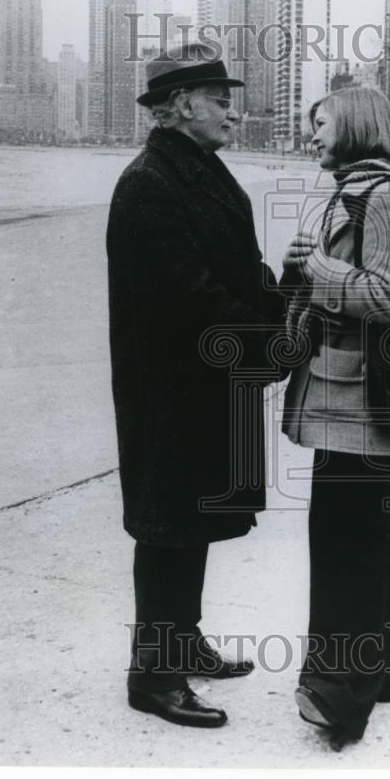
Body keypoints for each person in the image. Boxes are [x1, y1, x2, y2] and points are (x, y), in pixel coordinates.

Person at [106, 44, 285, 729]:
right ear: (181, 106)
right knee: (167, 528)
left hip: (203, 382)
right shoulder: (151, 181)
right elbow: (191, 299)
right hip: (171, 391)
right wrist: (271, 341)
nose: (231, 112)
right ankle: (153, 676)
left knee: (191, 523)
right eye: (219, 99)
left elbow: (239, 268)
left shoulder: (197, 167)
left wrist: (279, 292)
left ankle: (184, 641)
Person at [281, 86, 390, 750]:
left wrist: (315, 269)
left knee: (344, 544)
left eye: (322, 124)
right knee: (359, 538)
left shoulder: (388, 196)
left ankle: (340, 700)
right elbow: (348, 286)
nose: (312, 135)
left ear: (356, 126)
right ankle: (381, 674)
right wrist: (303, 275)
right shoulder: (355, 190)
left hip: (363, 402)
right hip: (348, 399)